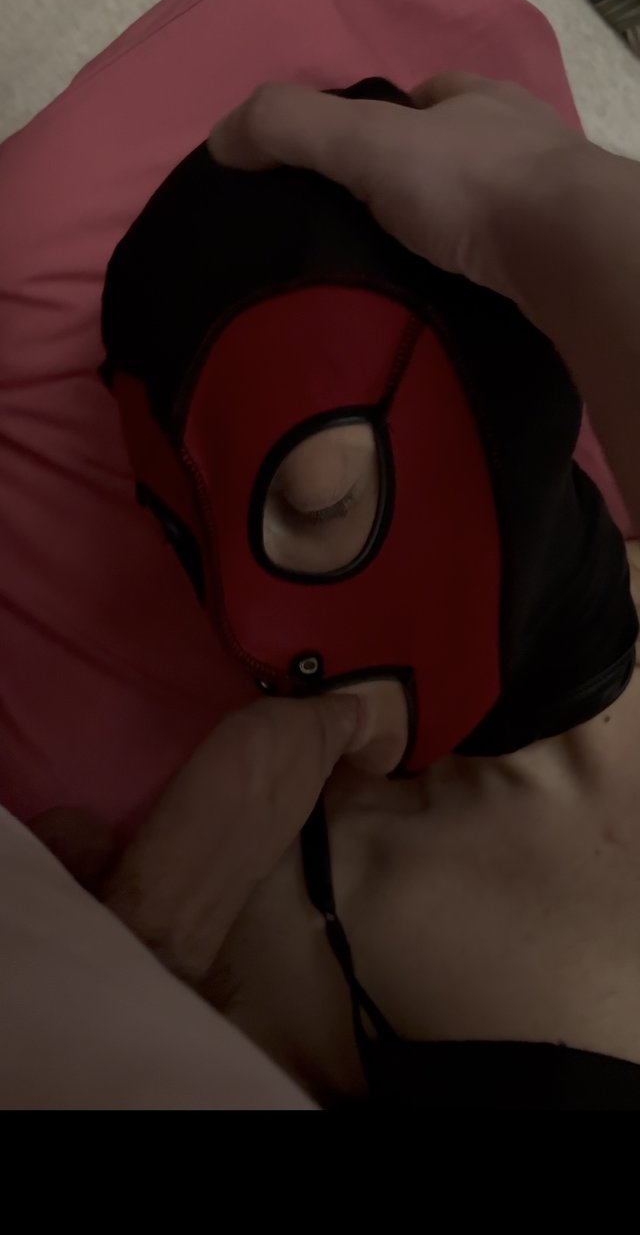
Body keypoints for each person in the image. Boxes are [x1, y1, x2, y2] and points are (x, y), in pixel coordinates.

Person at [95, 73, 640, 1108]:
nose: (246, 632)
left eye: (319, 498)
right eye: (185, 541)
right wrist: (143, 944)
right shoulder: (289, 936)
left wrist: (556, 204)